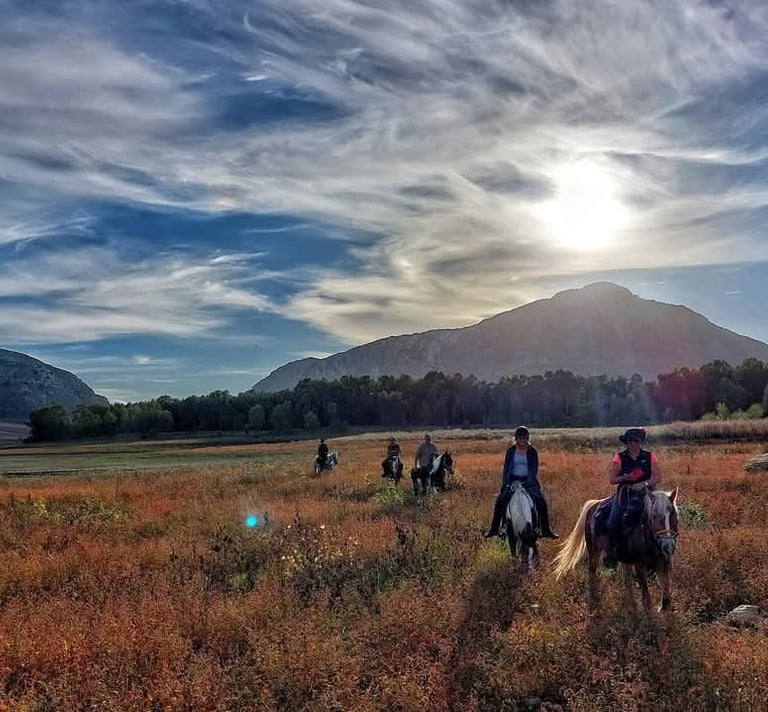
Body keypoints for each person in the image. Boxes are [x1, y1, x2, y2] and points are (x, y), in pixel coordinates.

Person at [483, 426, 558, 539]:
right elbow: (506, 468)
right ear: (516, 439)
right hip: (513, 480)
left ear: (527, 439)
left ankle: (546, 530)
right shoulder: (510, 451)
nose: (522, 440)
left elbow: (534, 469)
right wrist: (506, 482)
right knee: (500, 500)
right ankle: (495, 529)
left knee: (541, 501)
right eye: (520, 438)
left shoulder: (532, 452)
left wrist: (528, 481)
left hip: (528, 480)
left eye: (524, 438)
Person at [603, 427, 663, 569]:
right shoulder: (619, 457)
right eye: (630, 441)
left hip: (647, 493)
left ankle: (661, 551)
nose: (633, 444)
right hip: (625, 493)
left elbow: (657, 477)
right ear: (627, 443)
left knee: (661, 518)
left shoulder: (650, 456)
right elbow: (612, 479)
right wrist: (625, 478)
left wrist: (644, 483)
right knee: (613, 520)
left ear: (640, 441)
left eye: (636, 441)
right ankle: (612, 554)